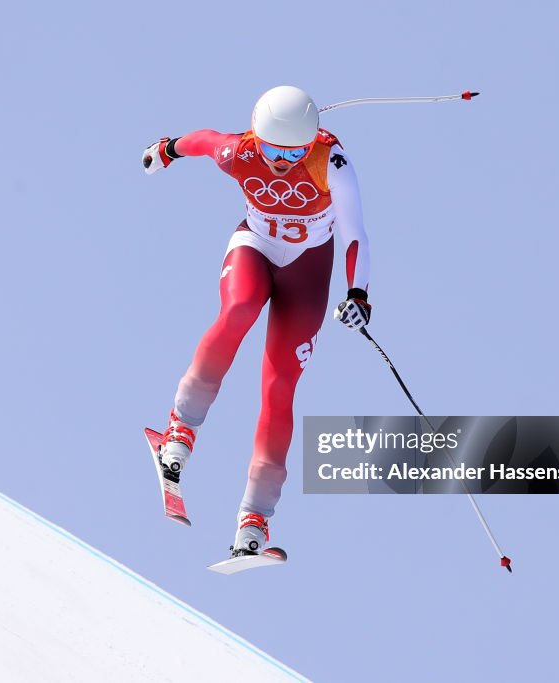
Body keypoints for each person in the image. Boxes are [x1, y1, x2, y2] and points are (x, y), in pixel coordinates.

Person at [142, 85, 371, 557]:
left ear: (311, 144)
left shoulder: (333, 163)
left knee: (280, 383)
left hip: (307, 270)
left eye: (293, 152)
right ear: (255, 137)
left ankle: (255, 517)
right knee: (238, 309)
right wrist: (166, 150)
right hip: (255, 249)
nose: (281, 161)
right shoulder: (239, 152)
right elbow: (203, 140)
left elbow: (354, 232)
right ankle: (180, 428)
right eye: (270, 150)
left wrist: (358, 294)